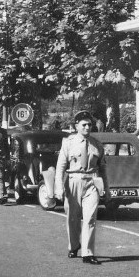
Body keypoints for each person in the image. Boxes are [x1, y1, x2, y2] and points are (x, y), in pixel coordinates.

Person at [54, 111, 106, 265]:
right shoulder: (68, 143)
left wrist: (107, 190)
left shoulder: (97, 144)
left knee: (90, 218)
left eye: (90, 124)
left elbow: (103, 169)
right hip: (73, 182)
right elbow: (60, 168)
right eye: (84, 124)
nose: (87, 127)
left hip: (92, 182)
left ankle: (88, 253)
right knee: (73, 218)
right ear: (76, 126)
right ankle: (74, 246)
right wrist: (58, 188)